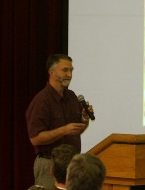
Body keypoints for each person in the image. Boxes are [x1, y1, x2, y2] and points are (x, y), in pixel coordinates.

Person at [26, 54, 94, 188]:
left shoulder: (72, 96)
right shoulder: (41, 100)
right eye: (65, 70)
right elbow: (35, 139)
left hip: (73, 165)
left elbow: (78, 129)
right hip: (49, 165)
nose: (69, 74)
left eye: (71, 70)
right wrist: (63, 130)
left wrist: (85, 118)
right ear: (51, 72)